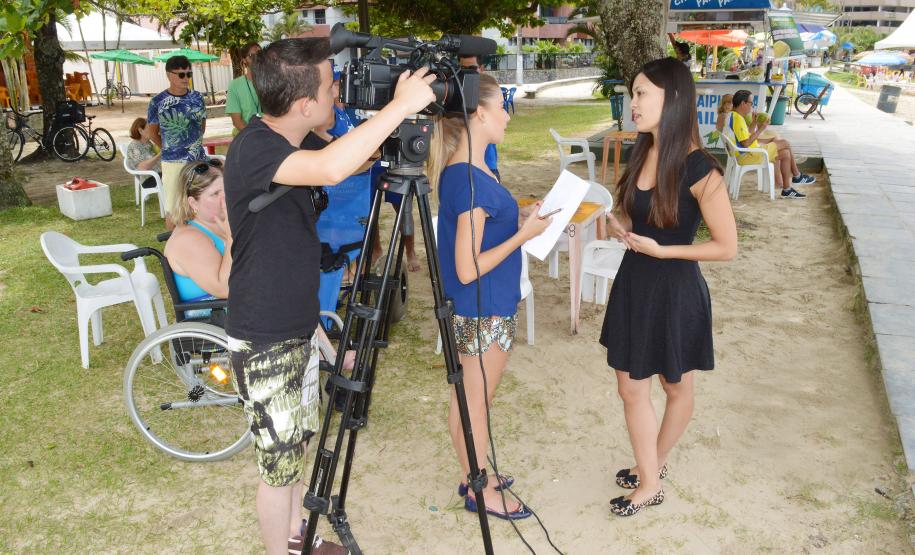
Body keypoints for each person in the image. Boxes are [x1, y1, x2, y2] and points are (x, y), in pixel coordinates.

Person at [222, 38, 434, 555]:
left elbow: (350, 160)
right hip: (264, 335)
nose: (338, 91)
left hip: (296, 321)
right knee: (278, 466)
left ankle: (299, 537)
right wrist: (398, 106)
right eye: (331, 85)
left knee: (297, 444)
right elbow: (333, 169)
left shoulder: (294, 141)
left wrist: (393, 132)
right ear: (304, 105)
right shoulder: (255, 148)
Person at [600, 57, 737, 517]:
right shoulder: (644, 149)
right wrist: (616, 224)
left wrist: (663, 251)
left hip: (675, 289)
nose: (632, 103)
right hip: (635, 284)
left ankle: (651, 475)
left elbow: (726, 247)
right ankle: (651, 473)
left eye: (641, 94)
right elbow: (640, 217)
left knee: (675, 385)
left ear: (673, 98)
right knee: (631, 387)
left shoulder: (701, 169)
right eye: (632, 93)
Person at [431, 73, 551, 521]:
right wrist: (523, 234)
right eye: (501, 105)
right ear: (478, 113)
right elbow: (468, 266)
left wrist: (519, 217)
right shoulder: (469, 178)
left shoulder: (471, 170)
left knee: (471, 400)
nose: (507, 113)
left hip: (485, 306)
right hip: (483, 310)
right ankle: (480, 490)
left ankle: (473, 474)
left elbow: (481, 230)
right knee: (474, 405)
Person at [164, 159, 231, 319]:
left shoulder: (222, 225)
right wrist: (232, 238)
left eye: (226, 190)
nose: (225, 198)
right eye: (215, 194)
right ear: (193, 202)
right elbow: (224, 289)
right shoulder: (188, 239)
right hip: (216, 317)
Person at [147, 55, 207, 228]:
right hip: (173, 162)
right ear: (169, 75)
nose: (186, 79)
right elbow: (152, 133)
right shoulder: (157, 102)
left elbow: (202, 127)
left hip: (197, 160)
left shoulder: (197, 97)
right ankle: (173, 251)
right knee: (174, 210)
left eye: (189, 74)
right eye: (181, 75)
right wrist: (170, 147)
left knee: (199, 207)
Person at [730, 90, 814, 199]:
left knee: (785, 153)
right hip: (749, 155)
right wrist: (761, 129)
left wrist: (754, 123)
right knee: (785, 143)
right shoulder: (738, 119)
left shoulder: (734, 116)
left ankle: (787, 189)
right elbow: (746, 143)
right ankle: (797, 176)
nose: (752, 106)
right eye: (751, 103)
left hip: (748, 153)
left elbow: (746, 136)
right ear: (743, 103)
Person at [226, 43, 262, 133]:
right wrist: (254, 137)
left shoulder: (271, 82)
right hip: (246, 137)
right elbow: (237, 122)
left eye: (260, 54)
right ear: (244, 60)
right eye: (252, 56)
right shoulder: (235, 85)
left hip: (268, 136)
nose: (257, 58)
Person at [125, 117, 161, 190]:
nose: (152, 131)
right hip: (149, 179)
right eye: (149, 129)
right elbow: (142, 167)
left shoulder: (148, 143)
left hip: (158, 174)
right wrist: (160, 154)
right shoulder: (134, 146)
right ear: (141, 131)